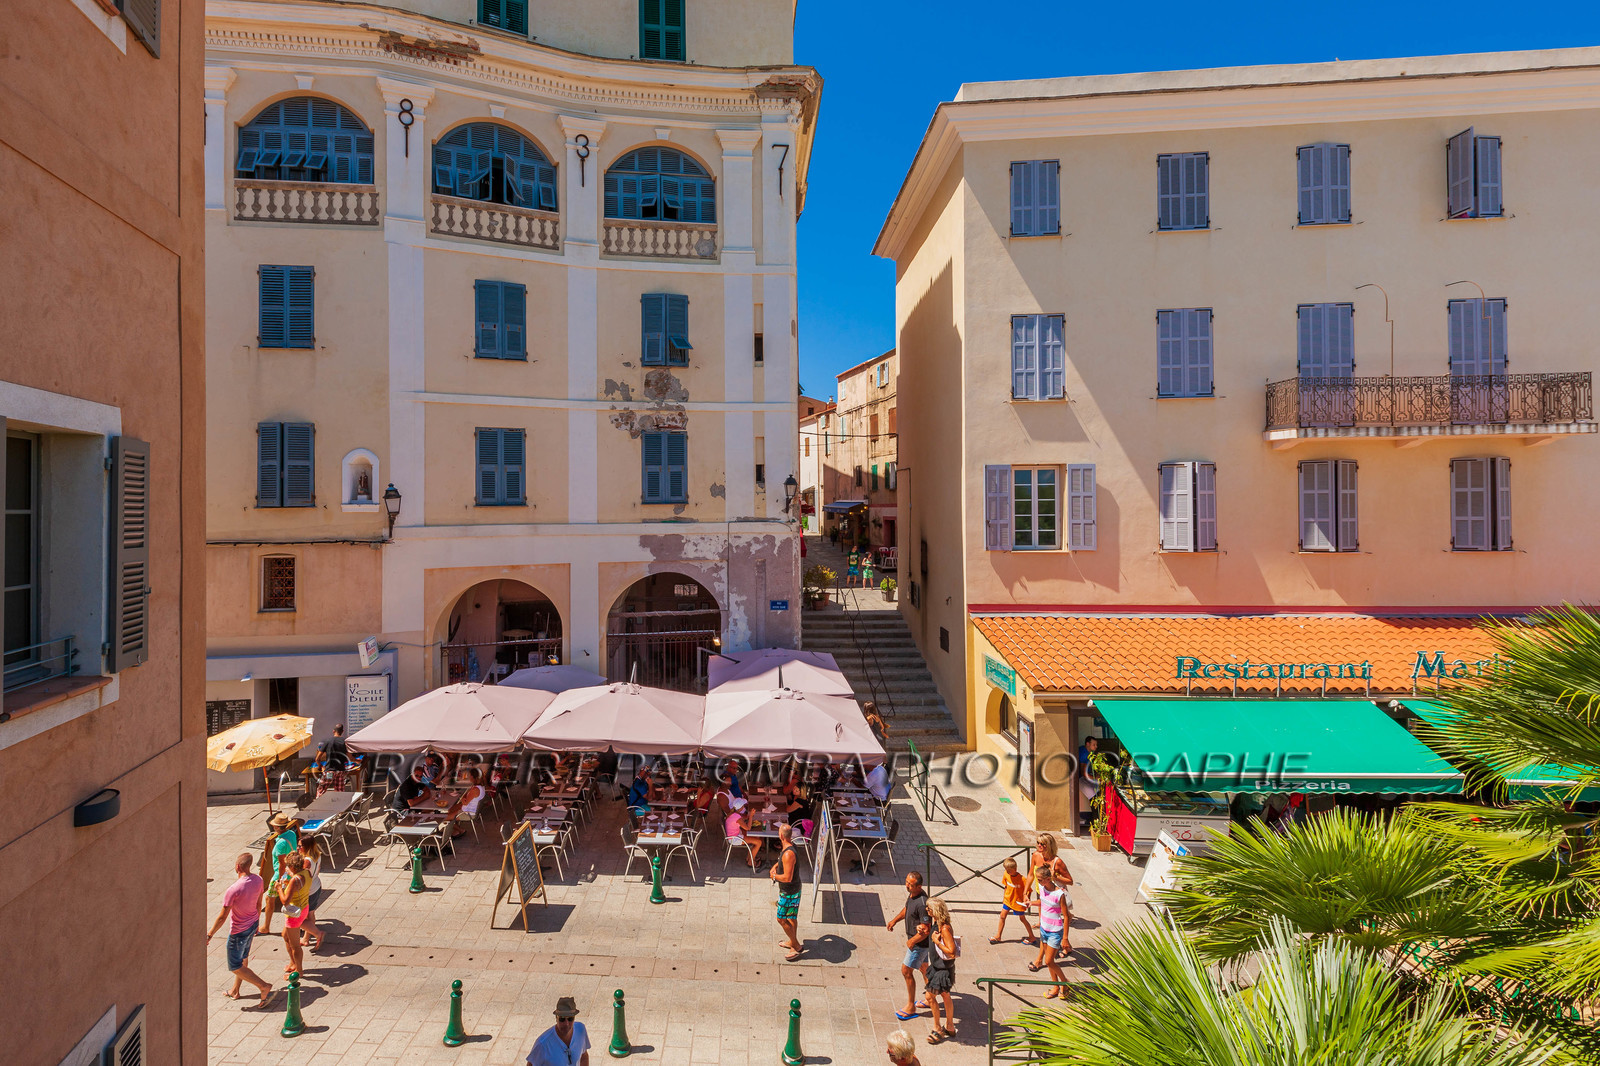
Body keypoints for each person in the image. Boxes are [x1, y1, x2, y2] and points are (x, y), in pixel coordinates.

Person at [207, 852, 272, 1002]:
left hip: (238, 931)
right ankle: (235, 991)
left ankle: (263, 986)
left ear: (237, 867)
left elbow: (222, 916)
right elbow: (259, 904)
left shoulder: (233, 889)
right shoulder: (258, 880)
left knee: (235, 966)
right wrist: (256, 922)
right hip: (252, 924)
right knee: (243, 959)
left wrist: (210, 934)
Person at [885, 871, 930, 1021]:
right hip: (917, 942)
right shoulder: (912, 895)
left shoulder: (922, 903)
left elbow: (926, 929)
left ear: (919, 886)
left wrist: (912, 941)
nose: (907, 886)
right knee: (924, 968)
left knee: (906, 971)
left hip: (919, 944)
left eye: (910, 884)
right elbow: (907, 909)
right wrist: (894, 920)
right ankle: (930, 997)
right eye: (906, 882)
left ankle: (911, 1006)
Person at [258, 813, 302, 935]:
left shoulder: (279, 844)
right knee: (291, 899)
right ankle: (297, 923)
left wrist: (279, 880)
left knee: (269, 899)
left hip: (280, 875)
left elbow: (282, 864)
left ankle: (266, 926)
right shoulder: (291, 834)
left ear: (277, 827)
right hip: (291, 871)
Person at [922, 897, 957, 1044]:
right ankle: (950, 1026)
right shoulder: (937, 923)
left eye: (929, 908)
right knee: (945, 995)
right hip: (939, 967)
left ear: (935, 910)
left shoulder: (944, 928)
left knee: (930, 997)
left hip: (942, 970)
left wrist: (937, 942)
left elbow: (951, 952)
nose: (927, 910)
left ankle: (938, 1028)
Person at [1031, 870, 1070, 998]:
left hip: (1055, 931)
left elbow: (1066, 916)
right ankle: (1055, 986)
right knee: (1050, 961)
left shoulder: (1059, 894)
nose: (1038, 882)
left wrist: (1065, 938)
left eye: (1040, 879)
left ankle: (1065, 983)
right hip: (1044, 928)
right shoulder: (1042, 888)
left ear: (1048, 879)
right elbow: (1043, 902)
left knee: (1048, 961)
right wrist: (1031, 903)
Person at [770, 823, 803, 961]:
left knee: (781, 919)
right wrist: (775, 866)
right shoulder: (790, 846)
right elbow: (783, 862)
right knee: (791, 917)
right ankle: (792, 942)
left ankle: (795, 945)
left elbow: (787, 878)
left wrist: (773, 876)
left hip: (788, 892)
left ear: (781, 836)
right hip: (794, 889)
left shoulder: (788, 853)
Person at [277, 851, 312, 977]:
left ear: (292, 866)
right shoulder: (307, 872)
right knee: (285, 935)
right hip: (304, 907)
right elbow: (299, 884)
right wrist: (291, 879)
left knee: (295, 946)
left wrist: (279, 888)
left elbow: (285, 901)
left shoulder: (294, 880)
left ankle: (299, 970)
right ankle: (293, 963)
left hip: (294, 914)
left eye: (288, 865)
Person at [526, 996, 590, 1065]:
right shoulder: (542, 1044)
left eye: (570, 1019)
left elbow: (584, 1056)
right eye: (562, 1019)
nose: (566, 1024)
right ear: (556, 1018)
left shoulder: (580, 1030)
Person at [991, 857, 1036, 945]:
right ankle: (998, 936)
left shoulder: (1022, 879)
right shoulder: (1006, 874)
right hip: (1008, 900)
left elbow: (1029, 890)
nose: (1008, 872)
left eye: (1009, 871)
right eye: (1006, 870)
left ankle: (1032, 936)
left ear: (1015, 869)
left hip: (1018, 903)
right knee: (1002, 916)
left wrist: (1026, 901)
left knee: (1022, 919)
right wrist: (1004, 898)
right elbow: (1006, 886)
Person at [295, 836, 325, 951]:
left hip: (308, 890)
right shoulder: (317, 855)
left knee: (302, 916)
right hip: (316, 886)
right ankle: (306, 938)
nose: (298, 848)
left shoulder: (307, 861)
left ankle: (310, 936)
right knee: (311, 913)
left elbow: (302, 877)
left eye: (300, 846)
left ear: (307, 847)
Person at [444, 768, 489, 839]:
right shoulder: (481, 787)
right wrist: (465, 796)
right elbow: (467, 797)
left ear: (473, 777)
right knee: (451, 809)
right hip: (471, 809)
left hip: (468, 813)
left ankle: (460, 830)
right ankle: (456, 829)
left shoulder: (475, 789)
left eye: (469, 775)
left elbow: (465, 802)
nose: (468, 776)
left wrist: (462, 798)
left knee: (444, 818)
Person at [724, 799, 762, 868]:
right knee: (759, 842)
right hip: (735, 839)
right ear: (741, 807)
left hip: (735, 835)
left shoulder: (732, 814)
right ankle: (750, 862)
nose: (744, 807)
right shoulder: (737, 817)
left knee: (756, 837)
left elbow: (742, 819)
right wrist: (751, 816)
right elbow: (748, 828)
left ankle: (750, 858)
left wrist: (748, 816)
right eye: (743, 806)